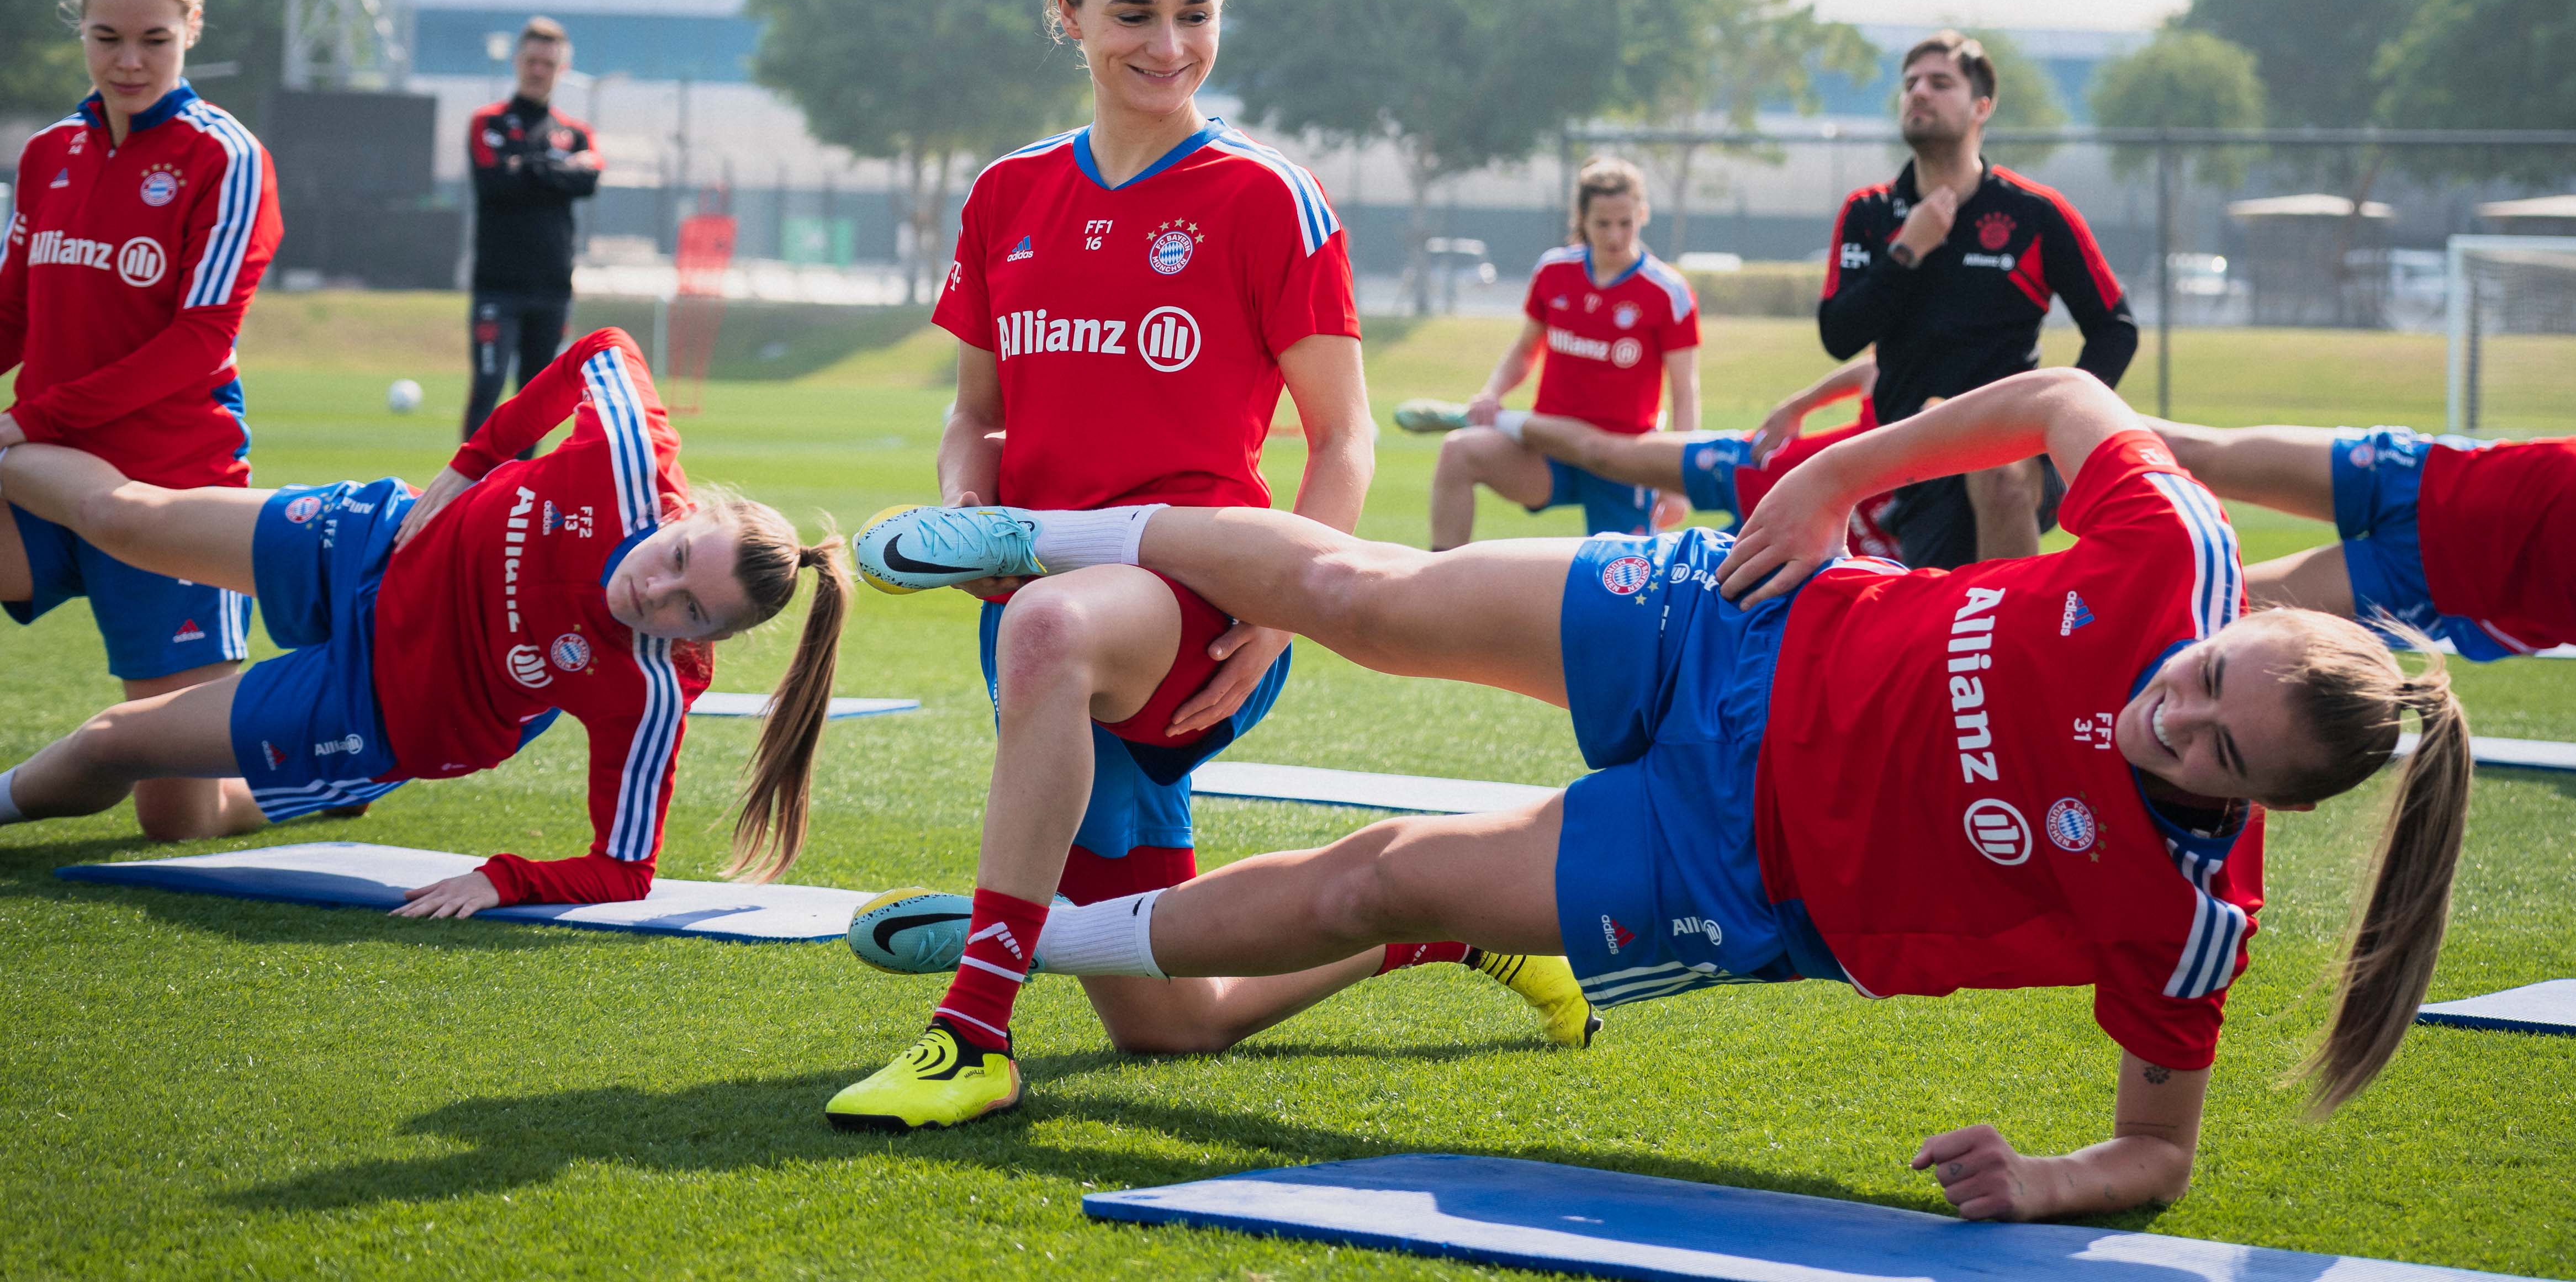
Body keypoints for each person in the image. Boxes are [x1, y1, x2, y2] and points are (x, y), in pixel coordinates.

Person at [858, 364, 2474, 1219]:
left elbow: (2160, 1157)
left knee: (1385, 875)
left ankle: (1018, 948)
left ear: (2262, 801)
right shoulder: (2174, 559)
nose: (2169, 711)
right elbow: (2062, 398)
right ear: (2236, 621)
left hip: (1727, 867)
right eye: (2204, 676)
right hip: (1740, 619)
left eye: (2212, 750)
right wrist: (1844, 469)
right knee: (1370, 599)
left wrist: (2046, 1180)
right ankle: (1040, 535)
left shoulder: (2185, 918)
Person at [823, 0, 1595, 1136]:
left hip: (1196, 596)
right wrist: (972, 519)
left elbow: (1343, 436)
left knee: (1059, 622)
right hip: (1035, 609)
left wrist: (1278, 611)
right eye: (1133, 14)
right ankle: (1439, 928)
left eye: (1195, 13)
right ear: (1067, 14)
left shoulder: (1263, 197)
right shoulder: (1008, 195)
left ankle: (970, 1028)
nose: (1167, 46)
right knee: (1168, 1021)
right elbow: (975, 417)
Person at [0, 327, 850, 914]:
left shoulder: (649, 689)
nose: (653, 594)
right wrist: (476, 459)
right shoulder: (631, 466)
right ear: (685, 511)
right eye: (672, 558)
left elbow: (624, 868)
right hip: (377, 543)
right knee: (126, 520)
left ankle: (327, 786)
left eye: (689, 612)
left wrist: (504, 879)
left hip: (379, 703)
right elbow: (605, 349)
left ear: (710, 644)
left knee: (126, 758)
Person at [2146, 226, 2576, 769]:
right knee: (2198, 452)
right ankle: (2052, 431)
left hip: (2416, 584)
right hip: (2411, 476)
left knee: (2217, 607)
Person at [0, 0, 281, 841]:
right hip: (43, 472)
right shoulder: (48, 154)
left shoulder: (224, 157)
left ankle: (294, 786)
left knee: (177, 820)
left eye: (153, 39)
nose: (129, 60)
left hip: (171, 492)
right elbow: (13, 311)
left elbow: (200, 342)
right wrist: (34, 428)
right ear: (79, 31)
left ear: (191, 26)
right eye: (107, 37)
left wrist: (31, 416)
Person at [1820, 30, 2136, 569]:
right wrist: (1905, 253)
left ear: (1980, 107)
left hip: (2013, 446)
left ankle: (2012, 642)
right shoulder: (1868, 213)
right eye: (1910, 83)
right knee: (1942, 618)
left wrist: (2055, 434)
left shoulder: (2034, 214)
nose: (1919, 93)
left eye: (1940, 83)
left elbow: (2114, 326)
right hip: (1916, 452)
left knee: (2000, 481)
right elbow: (1838, 335)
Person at [1408, 158, 1702, 547]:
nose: (1615, 235)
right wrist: (1491, 394)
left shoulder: (1668, 291)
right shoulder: (1553, 272)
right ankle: (1440, 588)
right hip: (1549, 450)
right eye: (1602, 224)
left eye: (1625, 223)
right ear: (1582, 217)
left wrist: (1677, 480)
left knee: (1620, 584)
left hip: (1621, 459)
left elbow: (1685, 390)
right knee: (1459, 453)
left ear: (1642, 214)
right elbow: (1524, 350)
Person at [1403, 356, 1896, 549]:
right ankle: (1493, 419)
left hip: (1788, 531)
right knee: (1603, 452)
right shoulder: (1913, 418)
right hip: (1749, 461)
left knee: (1672, 577)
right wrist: (1798, 405)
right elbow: (1874, 370)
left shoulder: (1921, 532)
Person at [464, 16, 601, 443]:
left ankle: (518, 498)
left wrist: (526, 167)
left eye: (548, 62)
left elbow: (589, 180)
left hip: (553, 288)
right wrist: (557, 170)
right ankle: (465, 497)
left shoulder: (576, 132)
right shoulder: (488, 123)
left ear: (561, 69)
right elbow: (496, 184)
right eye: (532, 60)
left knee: (535, 402)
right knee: (488, 387)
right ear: (517, 61)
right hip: (497, 286)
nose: (539, 70)